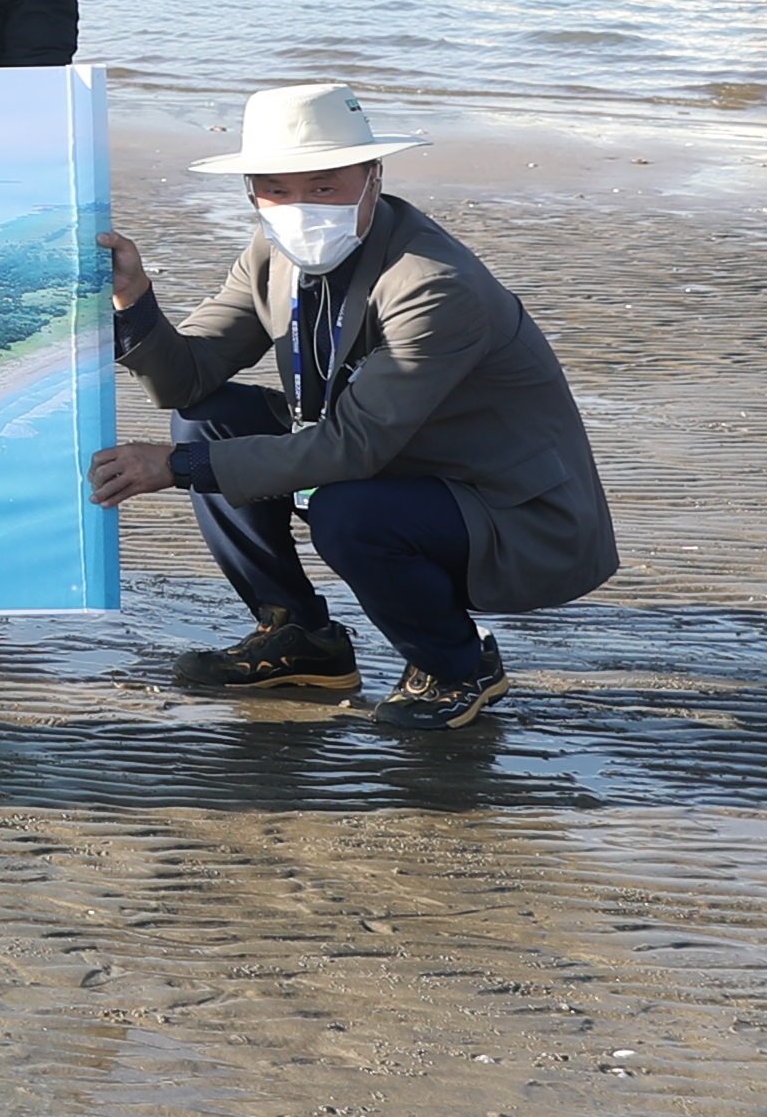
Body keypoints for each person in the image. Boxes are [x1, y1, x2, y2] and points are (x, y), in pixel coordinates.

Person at [93, 82, 618, 734]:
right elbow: (187, 381)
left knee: (346, 512)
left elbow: (352, 449)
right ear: (251, 192)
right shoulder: (270, 254)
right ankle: (299, 637)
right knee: (209, 419)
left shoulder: (432, 284)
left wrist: (178, 467)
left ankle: (457, 667)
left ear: (373, 177)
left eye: (325, 186)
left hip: (507, 506)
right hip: (397, 461)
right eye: (277, 190)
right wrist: (134, 298)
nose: (301, 208)